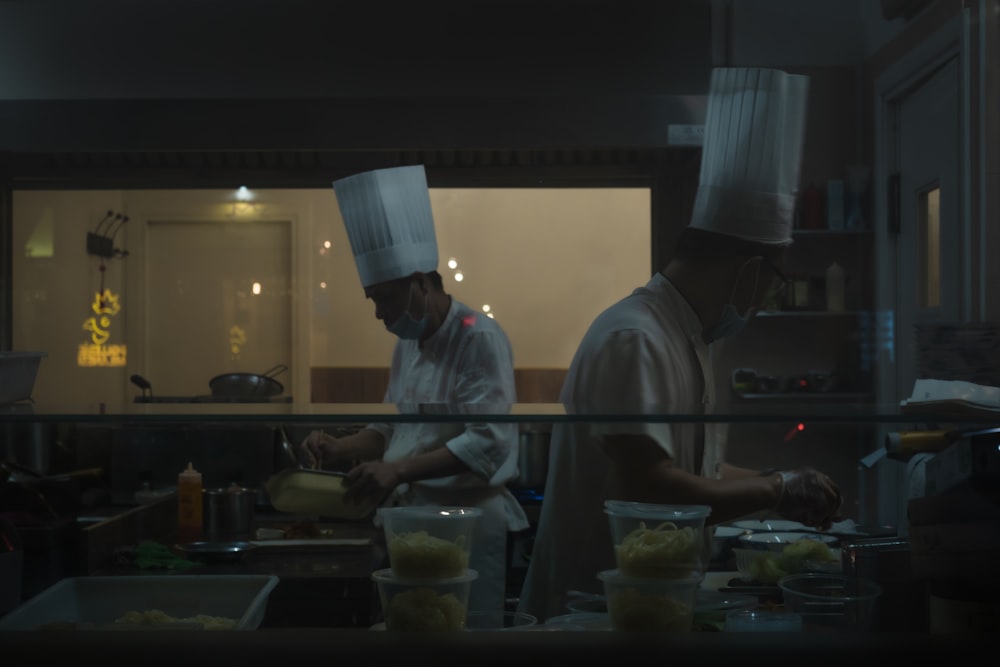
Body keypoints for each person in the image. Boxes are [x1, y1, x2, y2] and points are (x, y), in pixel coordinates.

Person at [517, 67, 843, 621]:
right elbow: (651, 485)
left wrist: (785, 482)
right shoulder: (635, 337)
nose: (768, 297)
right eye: (774, 279)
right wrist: (776, 490)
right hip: (593, 611)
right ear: (747, 268)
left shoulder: (687, 336)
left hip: (650, 605)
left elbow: (699, 472)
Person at [300, 164, 529, 615]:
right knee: (413, 634)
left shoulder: (477, 335)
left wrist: (399, 471)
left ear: (422, 284)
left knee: (460, 634)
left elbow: (489, 439)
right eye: (374, 300)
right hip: (411, 521)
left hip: (468, 524)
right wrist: (341, 447)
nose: (380, 313)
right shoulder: (409, 343)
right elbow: (391, 429)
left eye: (385, 298)